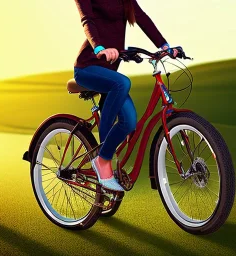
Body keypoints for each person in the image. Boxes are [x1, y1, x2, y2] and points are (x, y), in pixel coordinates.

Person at [73, 0, 178, 191]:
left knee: (129, 123)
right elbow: (87, 20)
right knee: (123, 82)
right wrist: (99, 48)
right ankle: (103, 160)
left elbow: (142, 18)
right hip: (88, 67)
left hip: (109, 72)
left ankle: (104, 158)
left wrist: (164, 46)